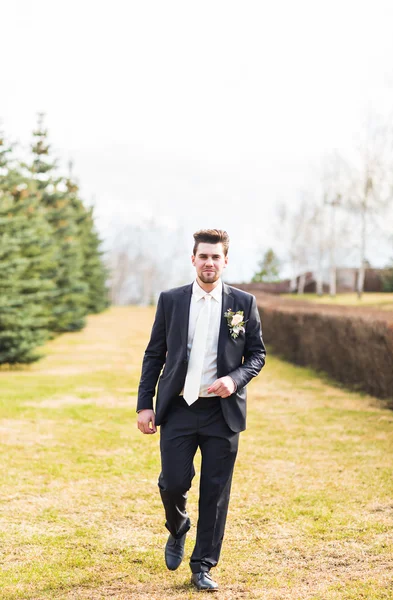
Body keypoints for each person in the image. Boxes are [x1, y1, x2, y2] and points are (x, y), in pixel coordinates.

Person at [136, 229, 265, 592]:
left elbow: (257, 355)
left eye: (216, 257)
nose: (209, 263)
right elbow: (154, 354)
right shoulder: (171, 300)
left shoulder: (244, 303)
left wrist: (235, 379)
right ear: (193, 259)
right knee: (173, 481)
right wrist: (145, 404)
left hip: (222, 413)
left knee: (215, 490)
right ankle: (177, 526)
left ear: (226, 262)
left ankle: (203, 565)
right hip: (178, 406)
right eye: (203, 256)